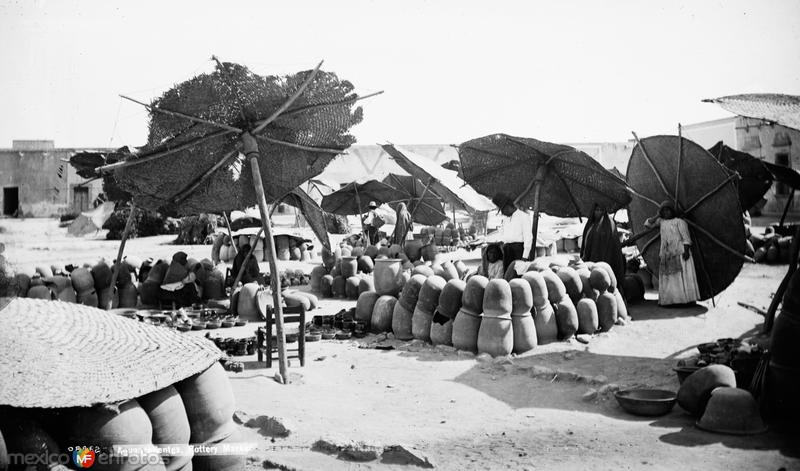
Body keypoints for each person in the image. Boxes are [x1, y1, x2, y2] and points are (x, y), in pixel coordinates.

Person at [644, 200, 700, 306]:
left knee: (681, 276)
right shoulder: (661, 222)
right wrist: (657, 215)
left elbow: (686, 238)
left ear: (672, 211)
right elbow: (647, 224)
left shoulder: (680, 222)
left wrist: (686, 251)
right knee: (670, 278)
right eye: (663, 211)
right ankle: (671, 301)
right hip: (667, 254)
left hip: (680, 252)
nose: (666, 213)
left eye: (668, 210)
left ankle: (685, 301)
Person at [581, 203, 626, 288]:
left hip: (606, 260)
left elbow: (612, 246)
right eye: (596, 210)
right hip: (589, 258)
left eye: (601, 210)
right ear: (593, 211)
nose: (598, 212)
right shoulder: (590, 224)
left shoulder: (608, 224)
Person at [492, 193, 532, 273]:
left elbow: (528, 237)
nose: (502, 213)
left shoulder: (523, 216)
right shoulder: (505, 220)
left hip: (518, 250)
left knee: (518, 275)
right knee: (507, 274)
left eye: (502, 210)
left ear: (508, 207)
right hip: (507, 250)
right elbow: (502, 235)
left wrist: (524, 257)